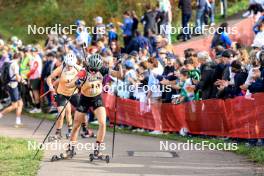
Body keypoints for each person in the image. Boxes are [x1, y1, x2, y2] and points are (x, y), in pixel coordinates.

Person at [64, 54, 108, 157]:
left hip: (97, 98)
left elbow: (119, 75)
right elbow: (69, 84)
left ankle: (97, 150)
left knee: (102, 123)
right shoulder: (83, 72)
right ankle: (71, 149)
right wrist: (77, 83)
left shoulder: (103, 69)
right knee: (76, 126)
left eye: (95, 69)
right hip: (84, 99)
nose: (93, 71)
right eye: (92, 69)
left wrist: (119, 65)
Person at [47, 53, 81, 141]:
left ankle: (74, 129)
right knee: (61, 113)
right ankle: (58, 133)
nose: (70, 67)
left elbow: (86, 76)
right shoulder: (61, 68)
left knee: (75, 111)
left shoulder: (78, 68)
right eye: (68, 65)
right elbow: (49, 78)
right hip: (61, 93)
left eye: (71, 65)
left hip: (73, 93)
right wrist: (51, 86)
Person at [0, 53, 24, 127]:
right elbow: (17, 77)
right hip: (14, 86)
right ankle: (0, 114)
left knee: (20, 103)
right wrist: (22, 80)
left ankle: (18, 122)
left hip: (10, 85)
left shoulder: (8, 63)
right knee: (14, 105)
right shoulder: (15, 64)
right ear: (19, 58)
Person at [28, 47, 43, 113]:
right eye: (31, 51)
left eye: (33, 51)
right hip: (33, 77)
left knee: (35, 92)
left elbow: (35, 69)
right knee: (34, 93)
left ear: (36, 52)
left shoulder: (37, 59)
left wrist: (28, 75)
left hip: (35, 77)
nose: (32, 53)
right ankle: (37, 107)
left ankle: (38, 107)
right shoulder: (33, 58)